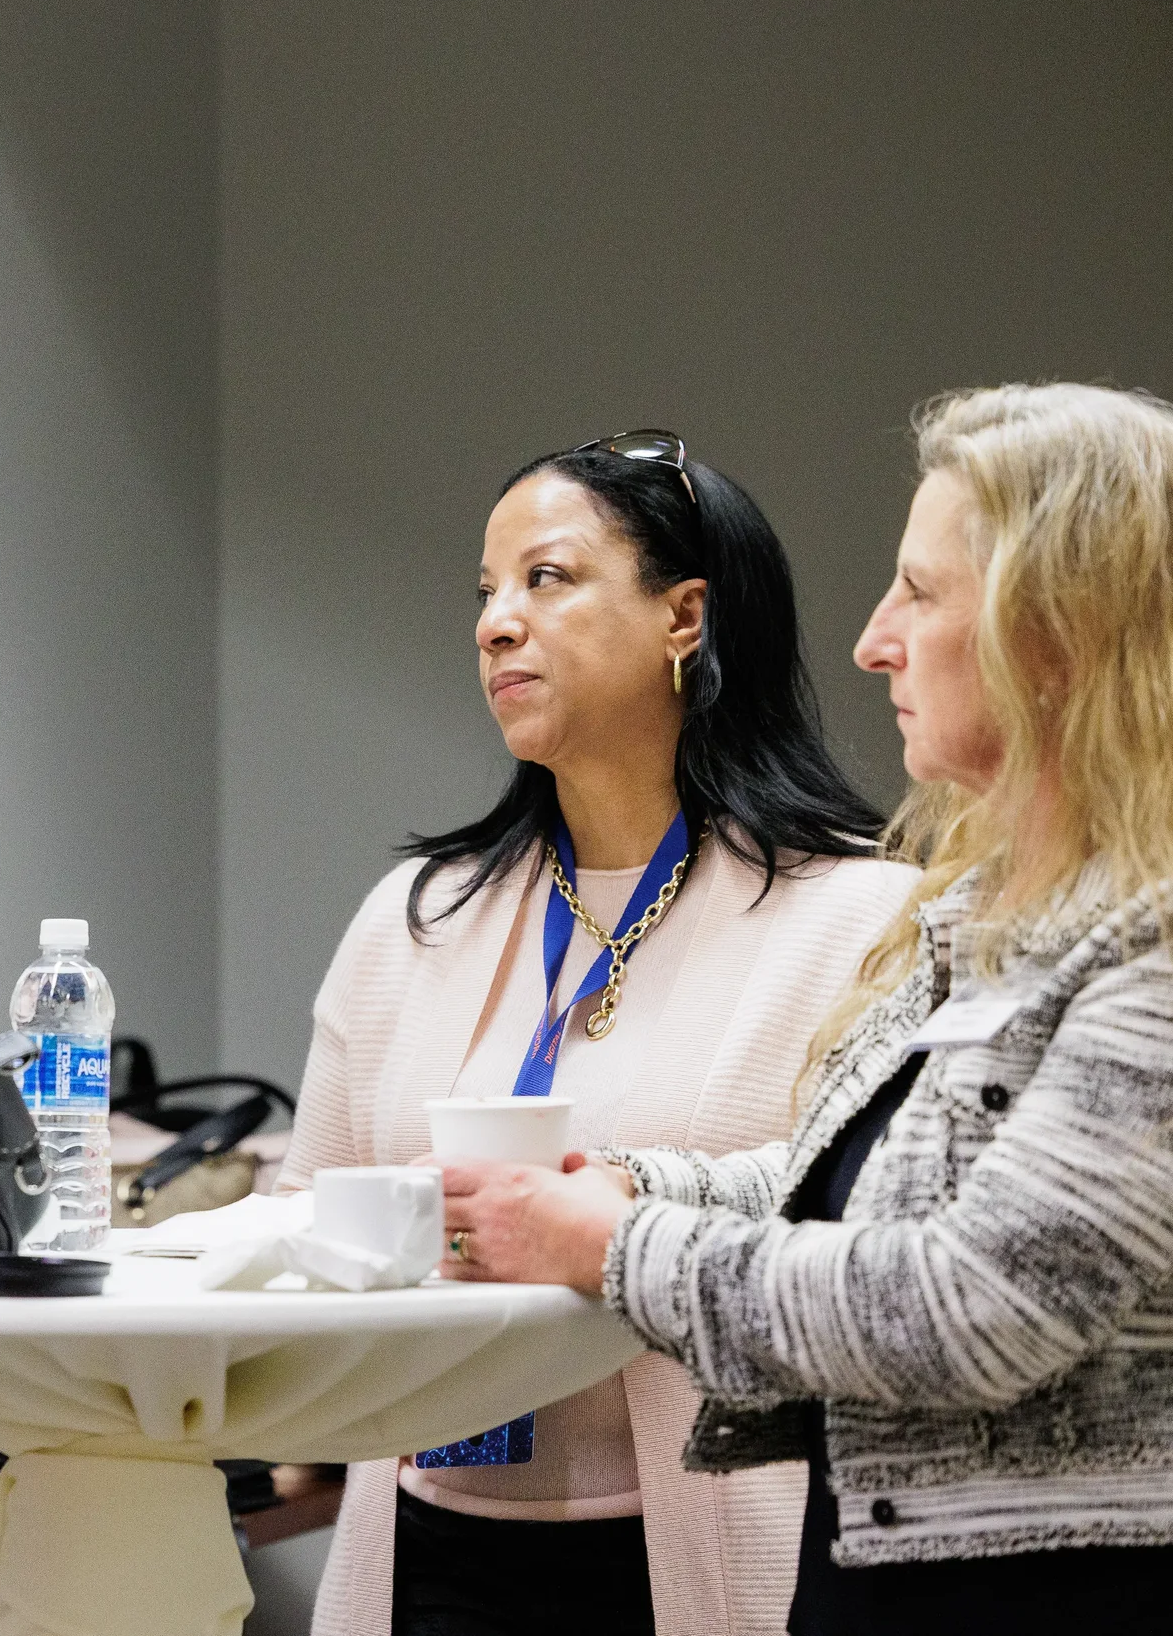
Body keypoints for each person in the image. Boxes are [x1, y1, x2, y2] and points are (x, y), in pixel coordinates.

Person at [437, 383, 1173, 1633]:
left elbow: (968, 1304)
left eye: (920, 594)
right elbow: (836, 1192)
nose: (873, 640)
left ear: (1052, 631)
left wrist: (608, 1245)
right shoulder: (987, 917)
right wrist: (611, 1183)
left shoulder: (1151, 949)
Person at [277, 433, 919, 1635]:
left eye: (547, 577)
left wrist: (612, 1204)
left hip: (694, 1550)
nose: (495, 623)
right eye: (484, 592)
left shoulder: (861, 916)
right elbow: (306, 1207)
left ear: (685, 616)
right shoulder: (415, 916)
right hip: (424, 1545)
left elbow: (865, 1248)